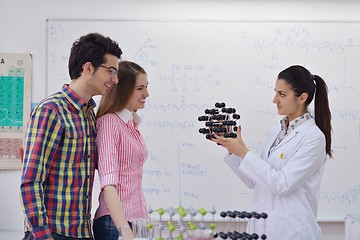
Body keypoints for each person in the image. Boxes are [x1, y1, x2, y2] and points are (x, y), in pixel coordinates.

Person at [20, 33, 122, 240]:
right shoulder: (51, 111)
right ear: (88, 68)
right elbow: (31, 181)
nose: (116, 79)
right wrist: (43, 235)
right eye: (110, 71)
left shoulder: (89, 114)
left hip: (81, 233)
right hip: (53, 233)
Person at [212, 65, 332, 240]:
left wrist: (244, 152)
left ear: (302, 97)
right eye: (276, 92)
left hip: (291, 230)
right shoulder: (278, 130)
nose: (275, 99)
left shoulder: (313, 137)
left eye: (282, 94)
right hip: (262, 227)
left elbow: (282, 184)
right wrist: (233, 149)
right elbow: (255, 181)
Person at [92, 61, 150, 240]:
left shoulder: (131, 125)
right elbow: (109, 183)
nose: (146, 94)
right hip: (116, 224)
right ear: (123, 90)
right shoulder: (109, 123)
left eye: (146, 87)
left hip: (136, 221)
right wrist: (125, 231)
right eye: (140, 88)